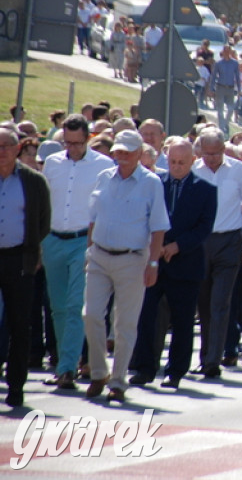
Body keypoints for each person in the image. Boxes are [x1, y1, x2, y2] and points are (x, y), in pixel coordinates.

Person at [83, 130, 170, 402]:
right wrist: (89, 248)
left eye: (127, 152)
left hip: (132, 258)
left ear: (139, 154)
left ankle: (118, 380)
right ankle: (99, 372)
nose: (121, 157)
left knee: (125, 323)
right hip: (99, 254)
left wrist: (153, 262)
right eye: (118, 152)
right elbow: (93, 217)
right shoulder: (104, 177)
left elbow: (158, 228)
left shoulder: (151, 182)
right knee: (92, 315)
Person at [131, 140, 217, 389]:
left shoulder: (206, 190)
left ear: (192, 161)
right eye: (172, 162)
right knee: (147, 316)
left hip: (186, 263)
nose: (177, 167)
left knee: (182, 321)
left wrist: (177, 246)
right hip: (154, 261)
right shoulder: (155, 185)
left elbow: (204, 227)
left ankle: (176, 371)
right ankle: (145, 367)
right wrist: (156, 248)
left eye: (182, 162)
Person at [41, 114, 114, 390]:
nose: (72, 149)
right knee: (57, 306)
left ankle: (67, 368)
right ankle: (64, 363)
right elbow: (45, 202)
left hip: (83, 241)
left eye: (78, 143)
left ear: (88, 139)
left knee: (74, 306)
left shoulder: (103, 165)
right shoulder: (52, 163)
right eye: (68, 143)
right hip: (53, 239)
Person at [192, 127, 242, 378]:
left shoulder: (238, 170)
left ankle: (212, 360)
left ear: (223, 149)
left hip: (229, 241)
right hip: (201, 242)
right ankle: (206, 352)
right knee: (204, 304)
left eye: (216, 153)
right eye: (207, 153)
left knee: (220, 302)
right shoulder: (195, 169)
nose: (211, 158)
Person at [0, 127, 51, 407]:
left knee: (20, 324)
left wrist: (30, 248)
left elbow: (43, 221)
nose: (2, 151)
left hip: (20, 259)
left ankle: (16, 386)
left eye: (7, 145)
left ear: (18, 148)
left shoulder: (32, 181)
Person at [209, 47, 242, 132]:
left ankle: (225, 123)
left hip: (230, 88)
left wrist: (239, 89)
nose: (226, 53)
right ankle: (221, 127)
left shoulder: (235, 63)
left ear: (230, 52)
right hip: (220, 87)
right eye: (225, 51)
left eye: (228, 51)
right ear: (223, 52)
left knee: (230, 108)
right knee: (220, 109)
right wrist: (211, 88)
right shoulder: (219, 63)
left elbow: (237, 77)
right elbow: (213, 76)